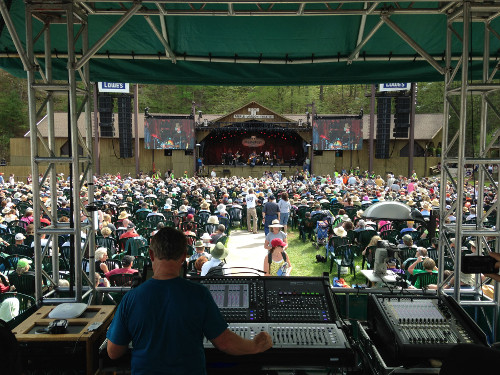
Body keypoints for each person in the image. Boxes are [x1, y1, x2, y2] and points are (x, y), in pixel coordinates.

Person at [106, 227, 273, 375]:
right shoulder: (199, 294)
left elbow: (113, 352)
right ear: (184, 257)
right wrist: (255, 345)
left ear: (151, 255)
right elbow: (225, 343)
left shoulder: (131, 298)